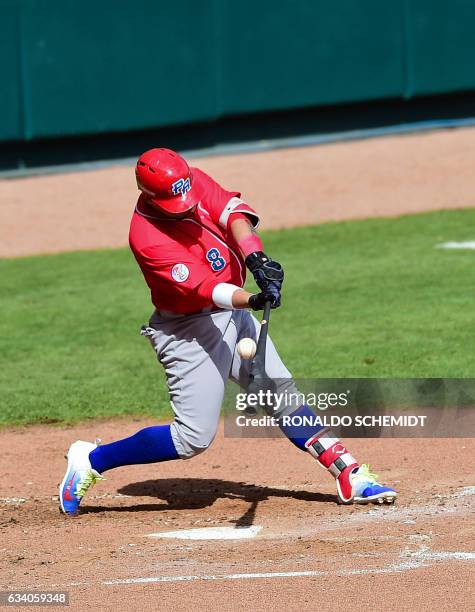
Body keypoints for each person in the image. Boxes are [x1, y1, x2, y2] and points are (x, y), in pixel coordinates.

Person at [59, 148, 397, 515]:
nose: (186, 203)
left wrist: (256, 257)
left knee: (279, 390)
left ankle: (349, 472)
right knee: (192, 439)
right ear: (150, 195)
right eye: (174, 200)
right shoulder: (147, 237)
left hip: (230, 313)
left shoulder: (189, 180)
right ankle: (91, 460)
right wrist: (253, 299)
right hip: (189, 329)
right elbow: (210, 289)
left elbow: (233, 212)